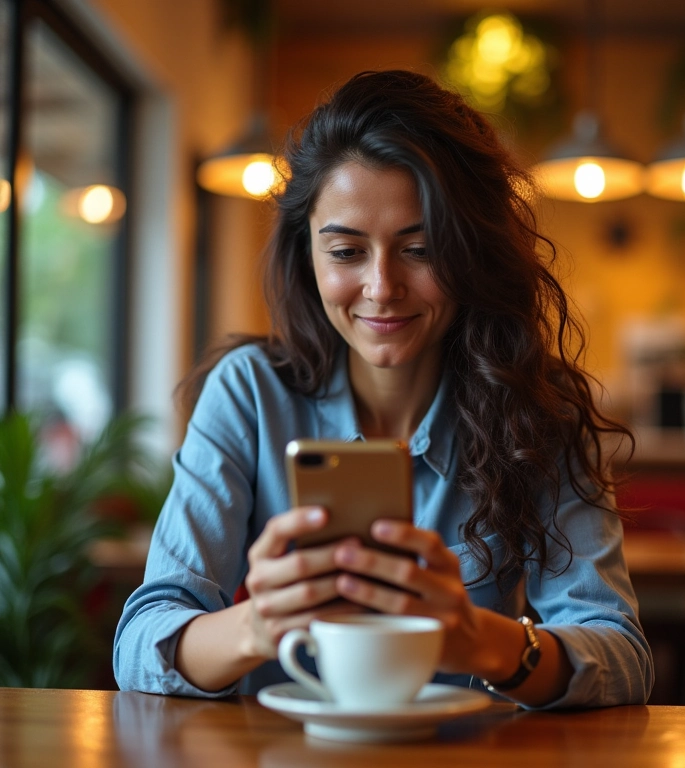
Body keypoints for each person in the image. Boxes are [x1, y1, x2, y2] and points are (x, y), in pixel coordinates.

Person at [114, 69, 653, 709]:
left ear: (471, 252)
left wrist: (482, 641)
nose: (381, 287)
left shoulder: (541, 407)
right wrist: (258, 625)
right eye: (346, 252)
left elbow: (621, 652)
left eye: (419, 249)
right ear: (306, 253)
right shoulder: (250, 393)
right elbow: (142, 642)